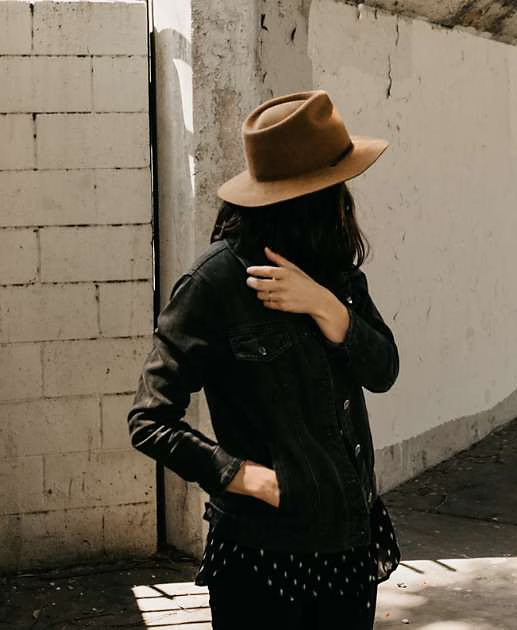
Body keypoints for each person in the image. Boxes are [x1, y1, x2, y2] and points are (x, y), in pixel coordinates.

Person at [127, 90, 401, 629]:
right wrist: (248, 478)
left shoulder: (334, 270)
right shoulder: (215, 284)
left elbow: (384, 370)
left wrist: (325, 307)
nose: (347, 202)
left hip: (349, 542)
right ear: (309, 197)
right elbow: (149, 420)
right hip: (261, 555)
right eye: (338, 185)